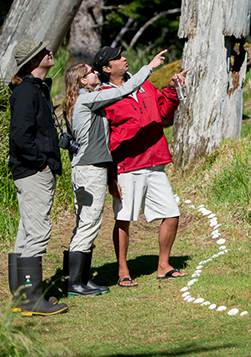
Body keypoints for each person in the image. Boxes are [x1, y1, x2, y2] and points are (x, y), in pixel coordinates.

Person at [60, 49, 167, 296]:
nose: (94, 72)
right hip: (90, 170)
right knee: (88, 223)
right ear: (82, 82)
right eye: (89, 72)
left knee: (87, 222)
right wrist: (149, 67)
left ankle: (82, 280)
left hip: (88, 169)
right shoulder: (86, 100)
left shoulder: (87, 98)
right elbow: (122, 91)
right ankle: (75, 284)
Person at [92, 45, 188, 286]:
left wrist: (173, 90)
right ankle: (123, 270)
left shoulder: (143, 84)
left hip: (156, 162)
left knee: (172, 214)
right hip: (127, 166)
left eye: (122, 55)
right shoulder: (103, 95)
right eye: (117, 58)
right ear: (106, 68)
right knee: (124, 218)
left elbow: (164, 111)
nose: (124, 59)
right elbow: (103, 140)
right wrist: (110, 177)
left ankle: (163, 266)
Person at [7, 38, 68, 316]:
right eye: (44, 52)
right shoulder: (26, 92)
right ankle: (32, 299)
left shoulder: (37, 89)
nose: (50, 52)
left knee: (27, 231)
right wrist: (41, 164)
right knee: (38, 232)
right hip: (33, 172)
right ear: (33, 61)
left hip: (31, 171)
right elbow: (20, 136)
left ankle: (22, 298)